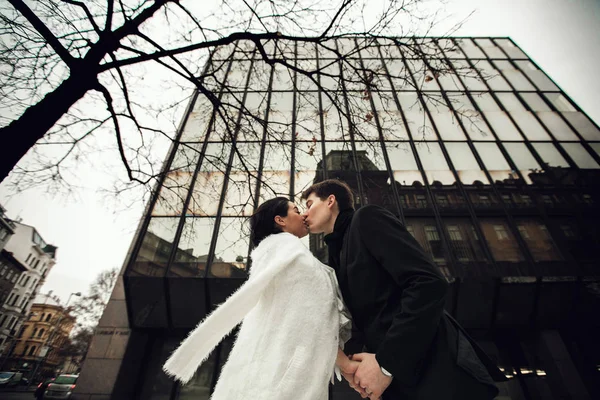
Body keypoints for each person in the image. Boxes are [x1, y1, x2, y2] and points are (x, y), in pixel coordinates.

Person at [302, 179, 507, 400]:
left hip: (434, 370)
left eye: (310, 204)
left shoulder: (366, 218)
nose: (305, 214)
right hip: (399, 383)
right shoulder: (337, 252)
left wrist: (386, 365)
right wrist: (359, 368)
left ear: (330, 200)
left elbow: (428, 283)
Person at [163, 197, 355, 400]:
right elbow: (310, 318)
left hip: (268, 376)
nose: (304, 215)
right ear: (280, 220)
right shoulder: (290, 252)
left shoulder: (281, 252)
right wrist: (346, 364)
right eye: (297, 210)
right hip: (278, 382)